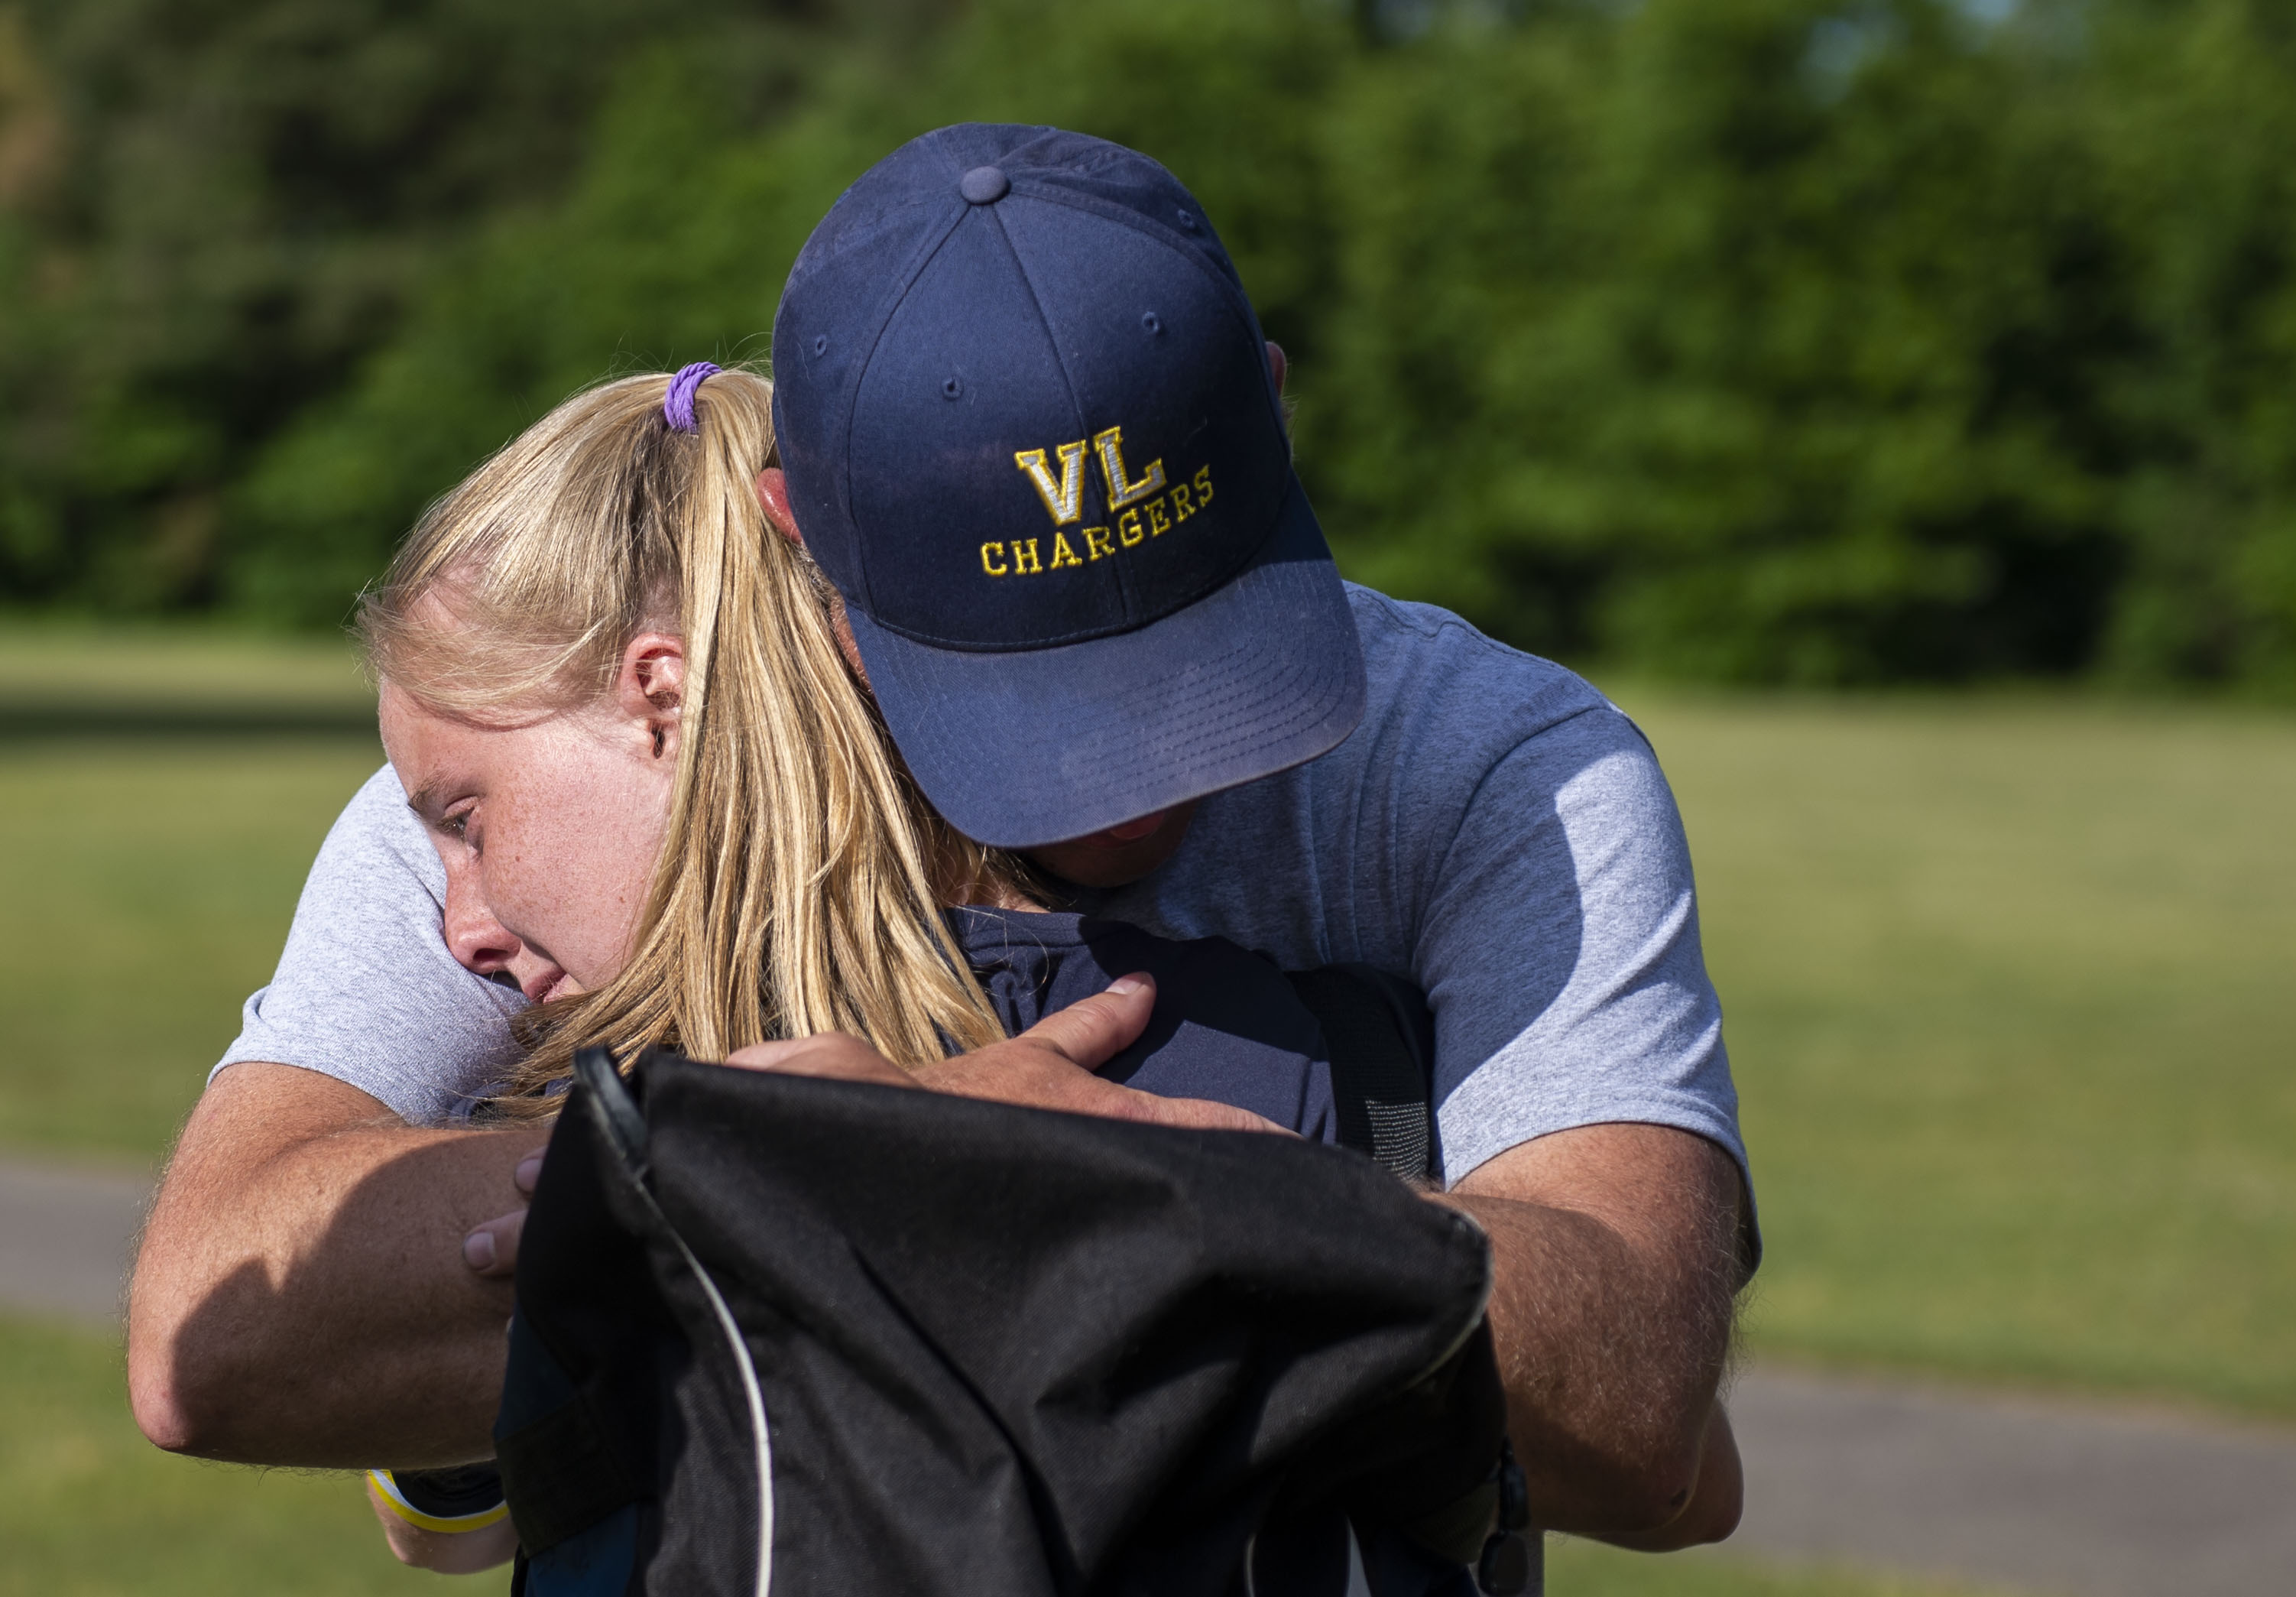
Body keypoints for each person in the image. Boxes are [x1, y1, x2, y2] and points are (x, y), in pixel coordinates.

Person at [130, 122, 1753, 1553]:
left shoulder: (1498, 764)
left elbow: (1649, 1424)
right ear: (800, 539)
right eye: (1021, 678)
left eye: (1195, 649)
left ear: (1268, 407)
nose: (1129, 781)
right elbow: (216, 1327)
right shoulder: (516, 767)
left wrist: (992, 1183)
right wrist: (836, 1176)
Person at [351, 362, 1453, 1576]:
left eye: (464, 818)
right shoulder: (1301, 1043)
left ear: (658, 699)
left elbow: (439, 1519)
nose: (460, 929)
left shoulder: (614, 1153)